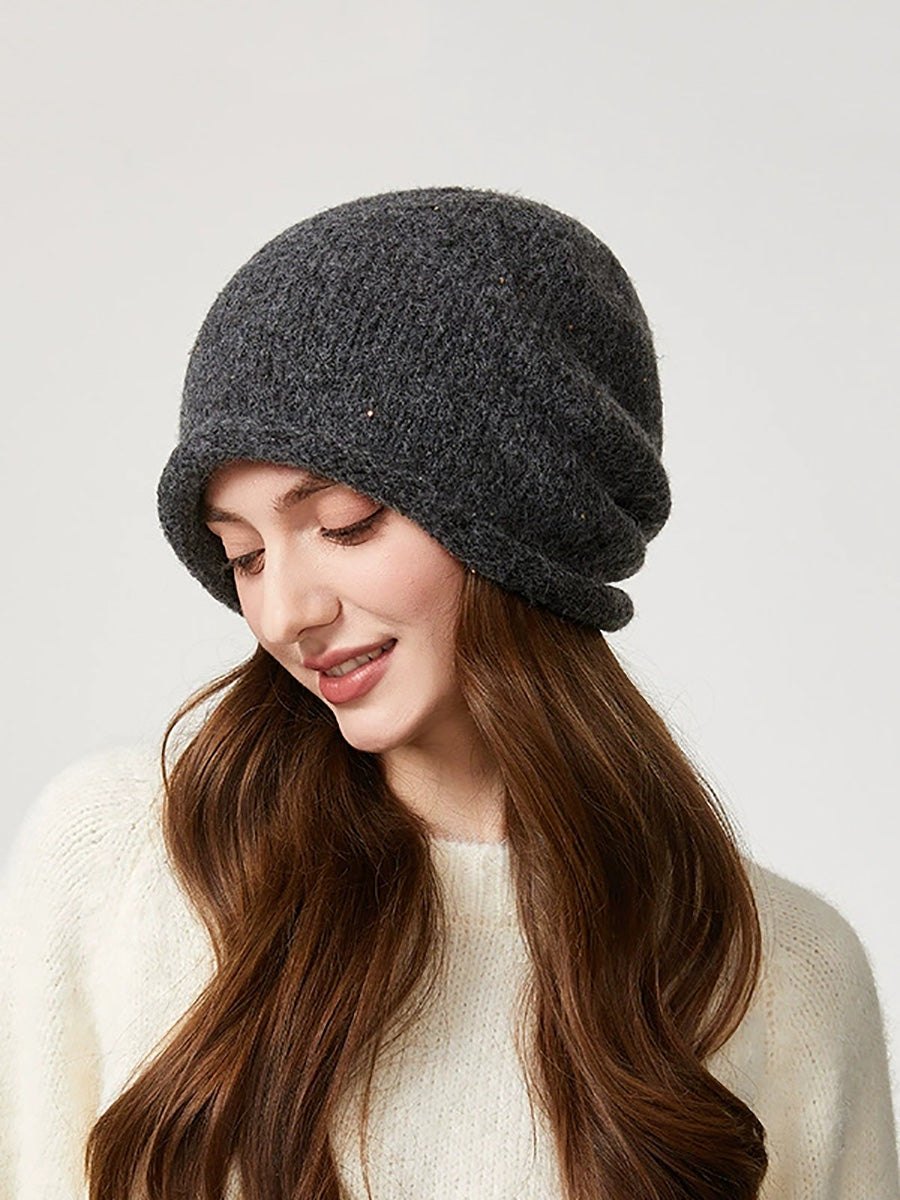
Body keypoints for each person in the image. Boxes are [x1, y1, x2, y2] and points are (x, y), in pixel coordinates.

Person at [1, 185, 897, 1200]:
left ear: (529, 520)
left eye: (345, 524)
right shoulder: (118, 860)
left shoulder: (784, 972)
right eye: (243, 554)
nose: (284, 612)